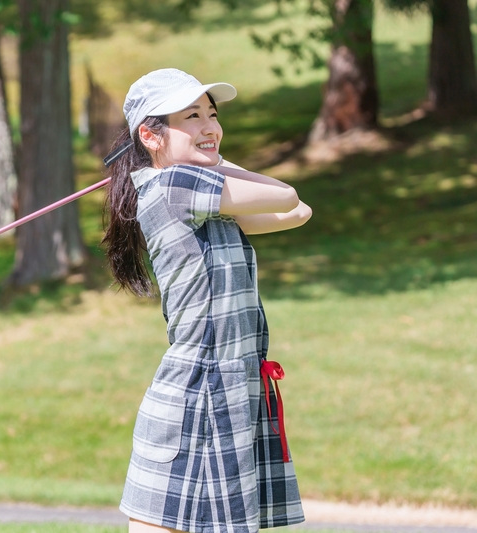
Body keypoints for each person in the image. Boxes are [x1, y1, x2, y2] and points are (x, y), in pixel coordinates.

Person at [102, 68, 312, 533]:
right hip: (194, 393)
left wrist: (207, 153)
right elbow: (287, 192)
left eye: (212, 115)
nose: (210, 126)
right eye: (191, 116)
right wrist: (215, 161)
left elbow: (296, 213)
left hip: (230, 393)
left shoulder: (211, 202)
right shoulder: (175, 187)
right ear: (151, 136)